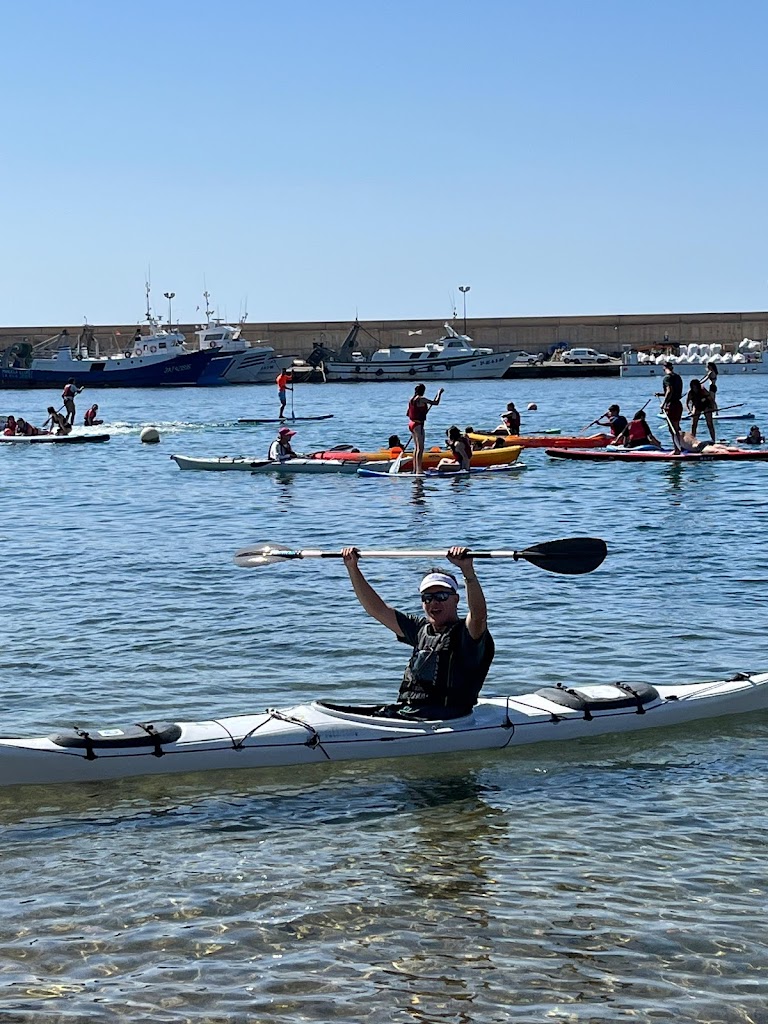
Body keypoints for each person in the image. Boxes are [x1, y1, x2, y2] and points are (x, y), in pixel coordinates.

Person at [341, 545, 494, 719]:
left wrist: (467, 571)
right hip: (411, 712)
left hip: (450, 716)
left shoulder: (467, 633)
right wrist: (352, 568)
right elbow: (377, 610)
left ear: (456, 599)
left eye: (441, 596)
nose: (433, 603)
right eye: (427, 598)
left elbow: (479, 615)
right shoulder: (420, 629)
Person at [407, 383, 444, 474]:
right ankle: (419, 470)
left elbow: (408, 413)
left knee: (416, 448)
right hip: (418, 425)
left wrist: (421, 413)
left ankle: (415, 469)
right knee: (420, 448)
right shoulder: (421, 399)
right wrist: (439, 393)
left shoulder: (411, 399)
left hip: (411, 424)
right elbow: (436, 403)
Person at [656, 361, 684, 451]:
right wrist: (661, 394)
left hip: (672, 405)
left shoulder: (667, 378)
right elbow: (674, 392)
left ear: (664, 368)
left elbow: (669, 390)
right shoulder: (678, 377)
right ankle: (679, 446)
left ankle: (677, 449)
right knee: (676, 427)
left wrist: (663, 403)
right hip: (678, 404)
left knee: (672, 428)